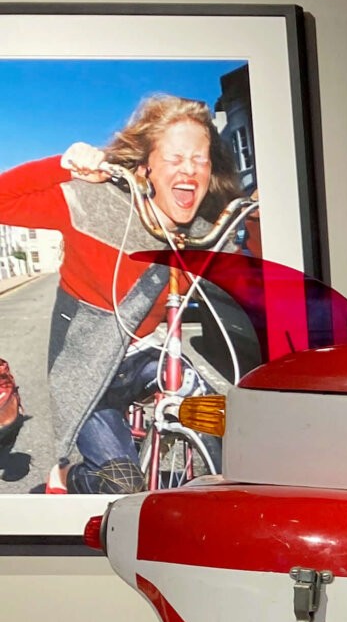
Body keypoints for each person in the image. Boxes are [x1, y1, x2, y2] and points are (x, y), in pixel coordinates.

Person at [0, 94, 255, 493]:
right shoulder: (95, 204)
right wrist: (64, 166)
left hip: (151, 359)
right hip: (89, 369)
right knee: (121, 483)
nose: (189, 168)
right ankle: (66, 476)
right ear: (145, 166)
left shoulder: (208, 237)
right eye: (175, 158)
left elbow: (263, 288)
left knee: (233, 438)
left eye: (200, 159)